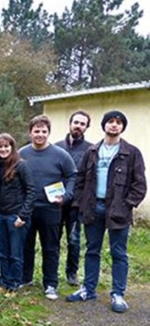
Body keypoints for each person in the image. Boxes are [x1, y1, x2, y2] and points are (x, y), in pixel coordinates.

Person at [67, 111, 146, 313]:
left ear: (122, 127)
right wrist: (80, 203)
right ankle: (88, 289)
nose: (114, 125)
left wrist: (126, 205)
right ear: (104, 126)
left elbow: (140, 186)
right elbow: (81, 180)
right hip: (93, 208)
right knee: (92, 250)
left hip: (118, 211)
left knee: (118, 253)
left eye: (118, 123)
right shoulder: (92, 151)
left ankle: (118, 294)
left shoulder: (131, 153)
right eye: (110, 122)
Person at [20, 115, 76, 301]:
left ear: (49, 133)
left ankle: (50, 284)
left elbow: (72, 177)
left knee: (50, 248)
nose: (40, 134)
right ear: (30, 132)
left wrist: (66, 196)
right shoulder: (21, 154)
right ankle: (25, 278)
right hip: (26, 209)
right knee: (26, 245)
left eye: (44, 131)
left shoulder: (61, 155)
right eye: (36, 131)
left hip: (51, 209)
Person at [0, 134, 35, 297]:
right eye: (0, 147)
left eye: (6, 146)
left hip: (16, 217)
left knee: (15, 253)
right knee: (2, 252)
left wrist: (23, 216)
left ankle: (14, 285)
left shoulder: (21, 165)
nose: (3, 149)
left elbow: (31, 191)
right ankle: (3, 282)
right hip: (1, 216)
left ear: (12, 148)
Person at [54, 110, 92, 286]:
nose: (78, 126)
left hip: (76, 204)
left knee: (74, 240)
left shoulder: (91, 150)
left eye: (82, 123)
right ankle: (51, 272)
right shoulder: (56, 147)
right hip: (55, 203)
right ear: (70, 123)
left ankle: (72, 273)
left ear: (86, 127)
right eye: (76, 122)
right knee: (52, 239)